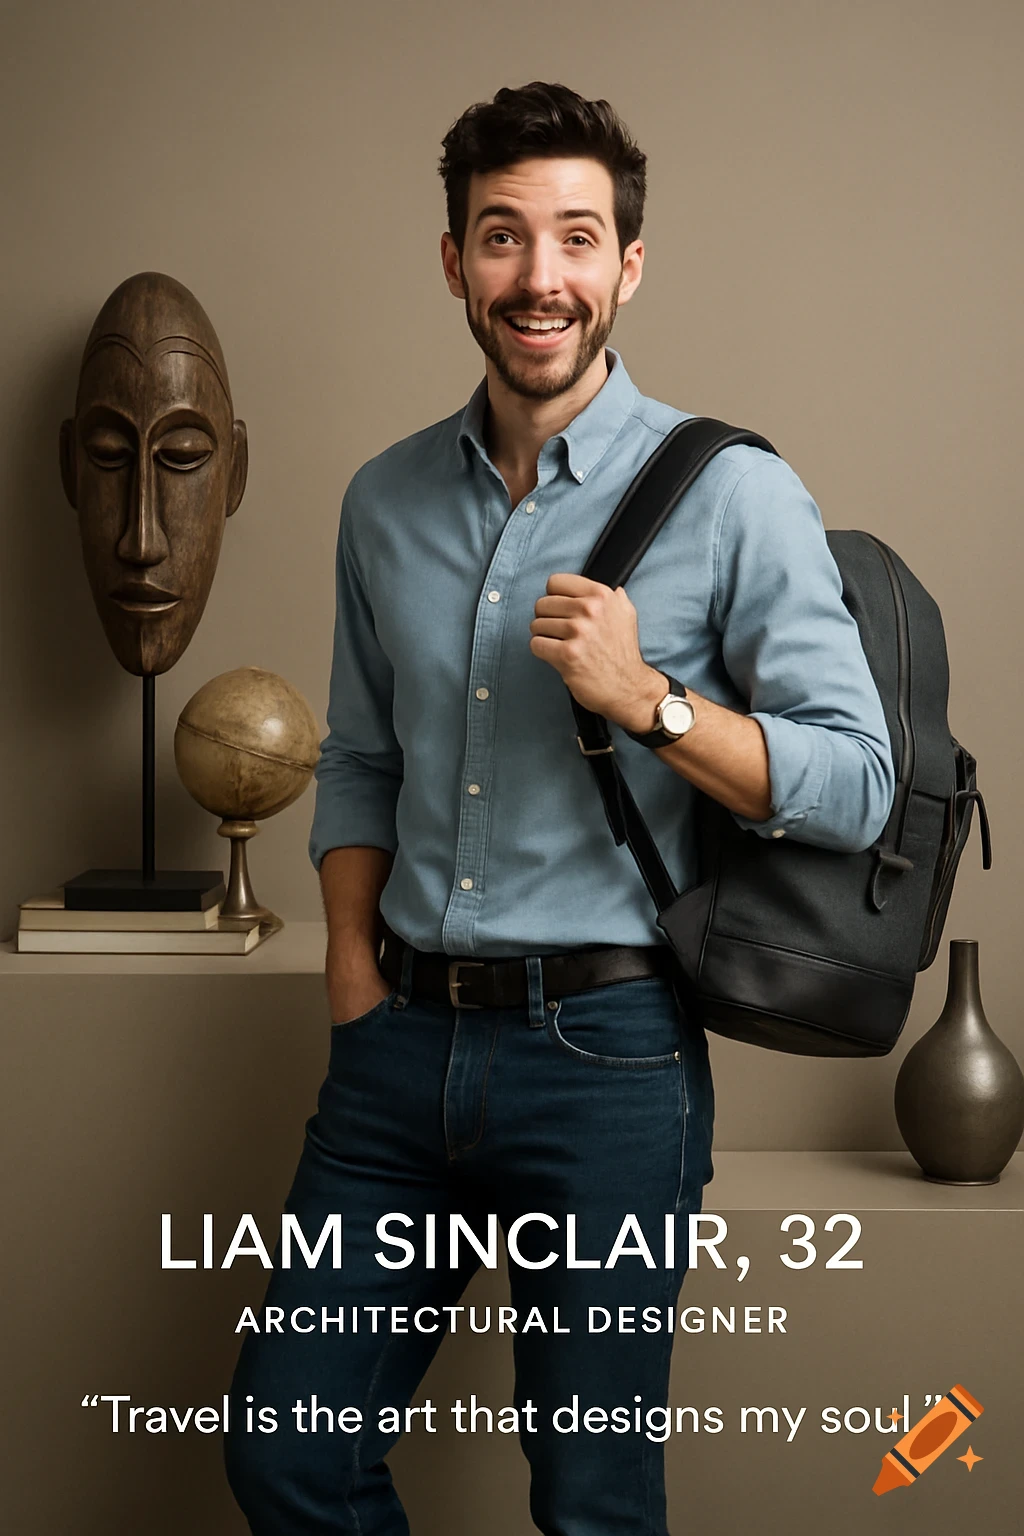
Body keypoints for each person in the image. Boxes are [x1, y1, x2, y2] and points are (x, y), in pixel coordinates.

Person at [225, 81, 894, 1535]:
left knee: (592, 1501)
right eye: (504, 236)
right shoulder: (383, 500)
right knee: (287, 1452)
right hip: (397, 1052)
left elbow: (858, 783)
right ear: (453, 261)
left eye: (578, 238)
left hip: (608, 1060)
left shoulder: (733, 494)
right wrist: (352, 980)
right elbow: (360, 759)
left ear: (628, 266)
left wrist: (649, 699)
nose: (542, 277)